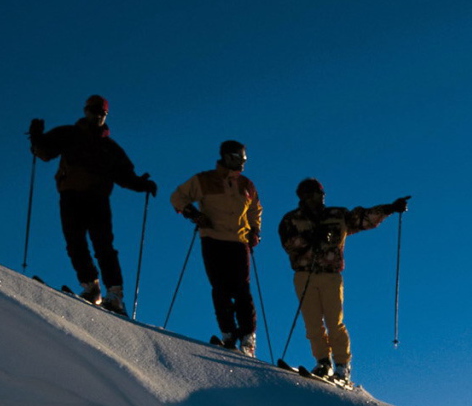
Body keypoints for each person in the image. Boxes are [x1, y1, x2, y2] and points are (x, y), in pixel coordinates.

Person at [27, 94, 157, 314]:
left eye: (101, 113)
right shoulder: (74, 135)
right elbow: (45, 151)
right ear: (86, 111)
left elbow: (124, 175)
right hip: (74, 195)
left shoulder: (107, 146)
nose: (97, 116)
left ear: (105, 115)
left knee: (100, 245)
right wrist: (37, 138)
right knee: (78, 242)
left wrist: (140, 184)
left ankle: (110, 293)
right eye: (94, 111)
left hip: (93, 197)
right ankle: (95, 288)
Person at [278, 179, 409, 382]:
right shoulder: (291, 219)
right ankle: (323, 362)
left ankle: (342, 366)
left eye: (322, 193)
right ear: (304, 196)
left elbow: (364, 218)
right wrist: (313, 237)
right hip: (305, 274)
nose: (322, 196)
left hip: (330, 275)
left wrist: (390, 208)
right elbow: (289, 244)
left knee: (334, 322)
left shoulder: (337, 215)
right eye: (316, 193)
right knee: (313, 323)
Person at [170, 141, 262, 356]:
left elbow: (255, 210)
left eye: (244, 159)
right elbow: (177, 197)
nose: (242, 162)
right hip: (213, 238)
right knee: (220, 288)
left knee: (241, 288)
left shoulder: (246, 184)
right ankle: (228, 333)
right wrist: (193, 214)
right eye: (238, 158)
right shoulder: (205, 180)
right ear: (227, 157)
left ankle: (247, 336)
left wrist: (255, 230)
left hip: (239, 241)